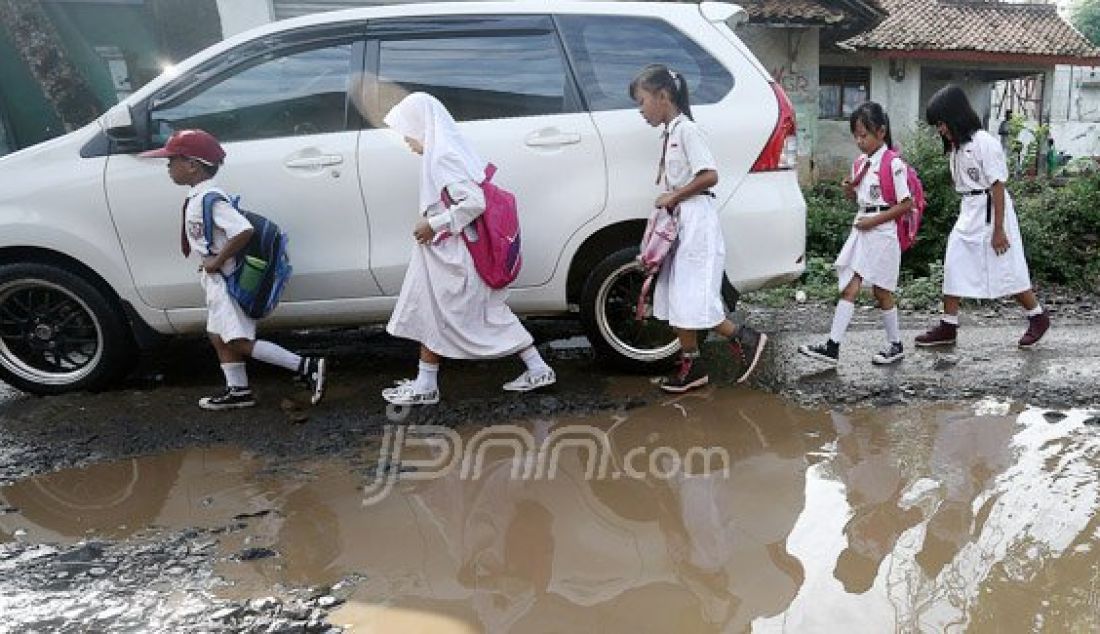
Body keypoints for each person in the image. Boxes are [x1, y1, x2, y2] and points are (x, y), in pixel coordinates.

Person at [380, 92, 555, 406]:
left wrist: (433, 224)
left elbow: (474, 202)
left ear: (423, 126)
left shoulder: (443, 157)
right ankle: (536, 368)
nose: (406, 141)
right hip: (452, 253)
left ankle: (426, 384)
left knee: (442, 312)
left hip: (456, 256)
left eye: (407, 131)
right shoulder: (447, 151)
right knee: (456, 312)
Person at [139, 129, 326, 410]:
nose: (168, 166)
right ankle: (238, 390)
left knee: (236, 340)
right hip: (216, 281)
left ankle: (305, 366)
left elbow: (243, 231)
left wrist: (216, 261)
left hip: (228, 281)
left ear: (192, 165)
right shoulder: (198, 196)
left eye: (172, 160)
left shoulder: (210, 198)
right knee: (217, 335)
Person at [629, 64, 767, 393]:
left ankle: (746, 338)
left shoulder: (688, 131)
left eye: (642, 101)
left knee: (693, 299)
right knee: (675, 299)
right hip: (681, 223)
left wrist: (673, 196)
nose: (641, 110)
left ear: (663, 96)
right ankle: (692, 368)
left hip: (697, 222)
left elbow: (709, 176)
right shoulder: (672, 133)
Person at [916, 85, 1050, 349]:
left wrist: (998, 230)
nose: (939, 129)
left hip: (992, 211)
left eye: (941, 123)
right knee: (954, 263)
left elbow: (997, 187)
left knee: (1007, 269)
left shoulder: (984, 143)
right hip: (970, 211)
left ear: (955, 117)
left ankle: (1038, 317)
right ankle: (948, 324)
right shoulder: (956, 147)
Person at [798, 102, 913, 366]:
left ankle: (895, 344)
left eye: (865, 135)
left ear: (881, 132)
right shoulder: (861, 163)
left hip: (882, 232)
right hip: (863, 228)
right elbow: (860, 198)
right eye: (856, 136)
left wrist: (873, 221)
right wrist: (850, 191)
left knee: (882, 292)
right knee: (850, 286)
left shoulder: (893, 163)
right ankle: (832, 346)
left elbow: (906, 204)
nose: (860, 141)